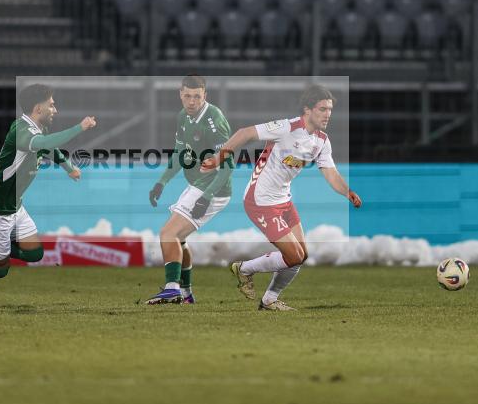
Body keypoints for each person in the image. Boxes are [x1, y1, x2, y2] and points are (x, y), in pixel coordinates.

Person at [200, 85, 362, 311]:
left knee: (301, 255)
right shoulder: (286, 127)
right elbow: (245, 133)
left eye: (330, 110)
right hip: (260, 200)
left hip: (283, 201)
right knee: (293, 255)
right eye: (322, 109)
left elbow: (331, 173)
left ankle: (269, 300)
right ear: (307, 110)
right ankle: (244, 269)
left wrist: (347, 191)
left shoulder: (322, 141)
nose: (328, 114)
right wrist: (218, 158)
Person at [0, 84, 96, 314]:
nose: (55, 109)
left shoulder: (37, 129)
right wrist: (80, 127)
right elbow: (45, 144)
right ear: (38, 108)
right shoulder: (21, 131)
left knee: (35, 253)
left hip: (14, 207)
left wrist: (68, 168)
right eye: (51, 105)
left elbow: (48, 148)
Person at [146, 75, 233, 305]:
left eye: (197, 96)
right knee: (179, 239)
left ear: (205, 95)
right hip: (197, 185)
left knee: (168, 234)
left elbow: (228, 164)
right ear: (180, 94)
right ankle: (186, 295)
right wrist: (161, 182)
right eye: (187, 96)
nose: (192, 101)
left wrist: (207, 197)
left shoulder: (214, 119)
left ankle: (171, 289)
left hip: (213, 188)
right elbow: (179, 153)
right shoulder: (183, 117)